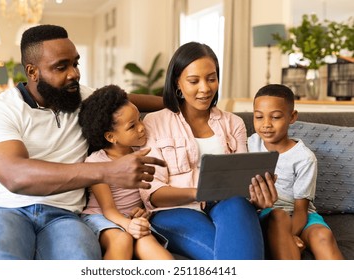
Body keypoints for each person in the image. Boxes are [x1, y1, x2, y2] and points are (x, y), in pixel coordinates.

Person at [0, 24, 165, 260]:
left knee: (80, 261)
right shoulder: (0, 109)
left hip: (64, 215)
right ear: (32, 71)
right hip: (2, 210)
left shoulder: (83, 98)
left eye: (75, 63)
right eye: (61, 67)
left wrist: (183, 102)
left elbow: (128, 100)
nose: (74, 74)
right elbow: (15, 176)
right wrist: (108, 171)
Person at [139, 42, 278, 260]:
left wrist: (259, 196)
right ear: (177, 82)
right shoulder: (154, 122)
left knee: (238, 205)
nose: (205, 88)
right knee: (233, 255)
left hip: (227, 204)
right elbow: (153, 194)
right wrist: (201, 192)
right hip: (175, 211)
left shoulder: (234, 123)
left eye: (211, 78)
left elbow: (243, 183)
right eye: (194, 81)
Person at [248, 84, 344, 260]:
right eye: (259, 117)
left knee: (322, 236)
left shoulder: (304, 158)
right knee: (279, 216)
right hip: (270, 214)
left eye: (276, 117)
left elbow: (301, 210)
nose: (266, 124)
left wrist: (291, 235)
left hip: (302, 216)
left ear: (292, 117)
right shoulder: (249, 145)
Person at [78, 84, 173, 260]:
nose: (141, 127)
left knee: (153, 249)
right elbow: (108, 210)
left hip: (133, 220)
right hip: (103, 218)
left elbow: (149, 193)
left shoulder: (143, 152)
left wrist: (143, 211)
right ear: (110, 137)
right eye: (132, 126)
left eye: (140, 119)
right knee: (122, 240)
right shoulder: (97, 162)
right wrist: (128, 225)